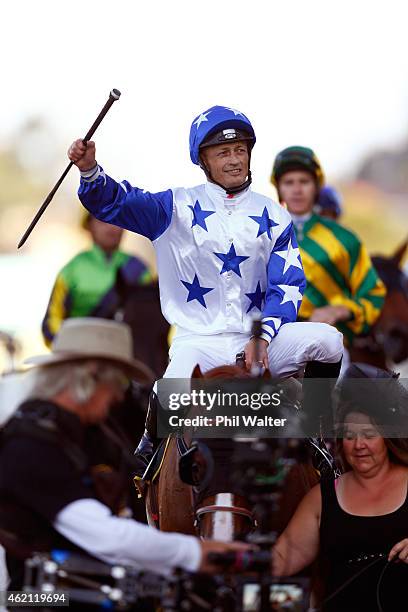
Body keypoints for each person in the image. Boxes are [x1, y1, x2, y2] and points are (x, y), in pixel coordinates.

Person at [68, 106, 343, 466]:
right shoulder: (173, 206)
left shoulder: (274, 214)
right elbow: (115, 203)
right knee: (169, 394)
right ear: (204, 160)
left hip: (261, 341)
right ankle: (148, 462)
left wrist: (263, 336)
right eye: (223, 153)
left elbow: (288, 285)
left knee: (328, 341)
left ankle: (317, 428)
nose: (234, 160)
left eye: (240, 150)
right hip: (198, 342)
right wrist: (89, 169)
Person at [0, 318, 250, 592]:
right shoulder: (29, 446)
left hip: (100, 593)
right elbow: (105, 536)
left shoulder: (89, 435)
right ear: (90, 377)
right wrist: (197, 553)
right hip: (41, 602)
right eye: (117, 382)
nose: (119, 395)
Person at [272, 363, 408, 611]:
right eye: (349, 436)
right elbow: (282, 558)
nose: (358, 445)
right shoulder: (322, 498)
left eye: (369, 435)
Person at [271, 147, 386, 350]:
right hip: (271, 341)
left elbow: (373, 294)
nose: (297, 190)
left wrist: (340, 310)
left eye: (304, 182)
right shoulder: (261, 235)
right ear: (279, 188)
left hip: (332, 342)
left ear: (316, 187)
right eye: (289, 182)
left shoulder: (346, 239)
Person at [42, 212, 153, 346]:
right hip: (79, 358)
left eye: (117, 219)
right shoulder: (70, 271)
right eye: (102, 220)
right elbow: (51, 325)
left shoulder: (140, 270)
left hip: (127, 357)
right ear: (89, 225)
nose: (111, 227)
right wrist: (72, 348)